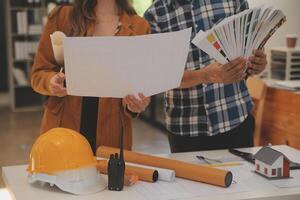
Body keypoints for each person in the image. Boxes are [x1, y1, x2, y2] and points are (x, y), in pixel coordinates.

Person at [144, 0, 267, 153]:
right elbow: (161, 76)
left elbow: (250, 51)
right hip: (185, 130)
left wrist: (257, 64)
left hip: (236, 120)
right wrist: (205, 76)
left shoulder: (234, 1)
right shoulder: (154, 15)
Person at [31, 0, 151, 153]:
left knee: (106, 176)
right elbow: (38, 74)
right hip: (63, 129)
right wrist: (51, 81)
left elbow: (138, 87)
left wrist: (135, 104)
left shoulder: (139, 27)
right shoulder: (62, 17)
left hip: (111, 135)